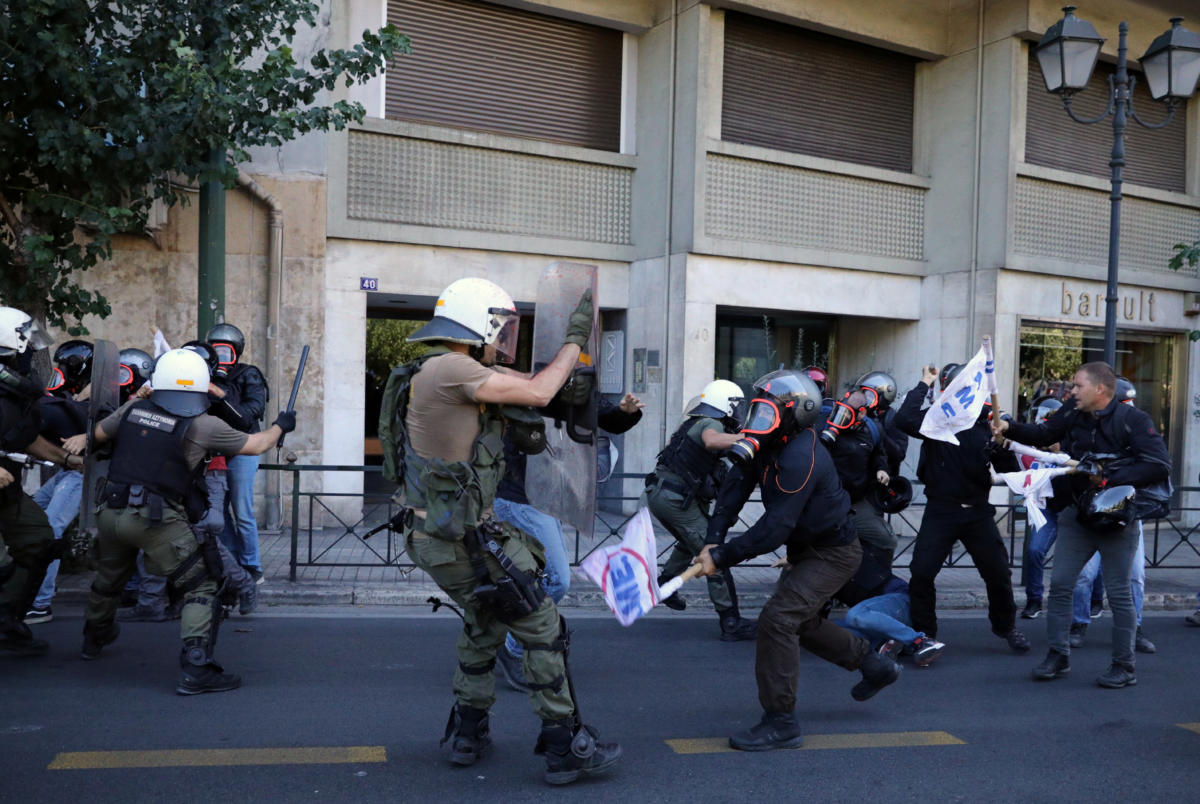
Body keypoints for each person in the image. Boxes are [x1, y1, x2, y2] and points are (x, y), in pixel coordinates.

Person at [391, 277, 620, 784]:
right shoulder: (452, 368)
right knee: (540, 624)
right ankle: (563, 746)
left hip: (443, 534)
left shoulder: (450, 369)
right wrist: (575, 340)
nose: (504, 338)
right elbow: (539, 390)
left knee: (485, 621)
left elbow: (538, 397)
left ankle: (468, 734)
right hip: (460, 538)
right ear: (481, 325)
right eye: (502, 327)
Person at [695, 369, 901, 752]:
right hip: (807, 548)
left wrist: (722, 556)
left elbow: (774, 529)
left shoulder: (801, 456)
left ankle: (781, 721)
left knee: (778, 619)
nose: (760, 415)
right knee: (801, 621)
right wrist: (712, 540)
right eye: (759, 406)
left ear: (795, 414)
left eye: (770, 408)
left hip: (834, 552)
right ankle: (875, 666)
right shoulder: (768, 441)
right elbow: (734, 490)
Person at [75, 349, 294, 693]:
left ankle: (93, 639)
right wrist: (282, 425)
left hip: (110, 511)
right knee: (203, 585)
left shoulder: (133, 409)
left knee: (108, 579)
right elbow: (256, 444)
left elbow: (98, 435)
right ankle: (197, 669)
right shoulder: (204, 424)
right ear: (201, 387)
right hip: (155, 518)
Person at [995, 362, 1170, 688]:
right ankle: (1058, 656)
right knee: (1061, 585)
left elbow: (1159, 465)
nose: (1071, 391)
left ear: (1100, 390)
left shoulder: (1134, 421)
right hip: (1077, 515)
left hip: (1117, 519)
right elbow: (1044, 434)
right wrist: (1008, 426)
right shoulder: (1073, 411)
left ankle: (1124, 666)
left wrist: (1109, 474)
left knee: (1119, 594)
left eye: (1077, 386)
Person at [494, 391, 644, 691]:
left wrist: (625, 412)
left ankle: (513, 641)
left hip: (542, 498)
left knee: (525, 579)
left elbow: (605, 416)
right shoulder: (527, 385)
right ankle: (512, 647)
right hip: (520, 497)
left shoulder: (572, 387)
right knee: (557, 579)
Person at [893, 363, 1030, 655]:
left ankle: (1006, 627)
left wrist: (1001, 444)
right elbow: (903, 420)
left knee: (998, 573)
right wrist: (923, 384)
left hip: (978, 512)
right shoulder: (935, 423)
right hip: (942, 510)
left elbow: (1010, 471)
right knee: (922, 572)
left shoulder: (987, 424)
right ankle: (924, 634)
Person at [119, 342, 258, 622]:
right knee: (156, 535)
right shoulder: (164, 393)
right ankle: (154, 602)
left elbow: (243, 425)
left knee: (204, 538)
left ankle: (239, 586)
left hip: (204, 478)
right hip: (170, 477)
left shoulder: (216, 396)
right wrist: (140, 396)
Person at [643, 379, 756, 641]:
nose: (739, 411)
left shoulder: (692, 421)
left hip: (663, 495)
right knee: (712, 553)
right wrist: (748, 437)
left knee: (689, 541)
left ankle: (666, 584)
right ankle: (731, 621)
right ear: (725, 405)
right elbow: (712, 441)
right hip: (674, 498)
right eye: (736, 405)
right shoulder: (711, 424)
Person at [0, 307, 81, 655]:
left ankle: (6, 621)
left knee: (40, 542)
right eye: (28, 346)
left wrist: (66, 459)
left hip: (8, 491)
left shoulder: (15, 392)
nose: (33, 354)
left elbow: (25, 436)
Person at [23, 347, 94, 625]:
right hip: (68, 471)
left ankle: (40, 603)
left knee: (50, 528)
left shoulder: (107, 395)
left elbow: (116, 420)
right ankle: (26, 591)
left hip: (82, 473)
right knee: (32, 518)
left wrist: (86, 436)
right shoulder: (68, 399)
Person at [206, 323, 268, 583]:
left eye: (227, 349)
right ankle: (232, 560)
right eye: (216, 349)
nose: (221, 355)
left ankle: (252, 566)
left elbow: (248, 415)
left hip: (243, 447)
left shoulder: (249, 374)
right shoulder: (203, 374)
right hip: (212, 449)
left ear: (237, 351)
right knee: (218, 512)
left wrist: (220, 392)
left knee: (242, 510)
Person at [832, 544, 945, 666]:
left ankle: (920, 641)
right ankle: (887, 642)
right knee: (828, 629)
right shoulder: (818, 574)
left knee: (856, 614)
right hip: (877, 617)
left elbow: (885, 539)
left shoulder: (846, 547)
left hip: (900, 599)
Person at [822, 388, 895, 561]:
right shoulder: (822, 424)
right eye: (841, 409)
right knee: (814, 544)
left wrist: (882, 469)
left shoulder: (873, 430)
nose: (843, 416)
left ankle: (877, 579)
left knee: (886, 540)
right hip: (826, 503)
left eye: (849, 413)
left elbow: (879, 453)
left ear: (862, 413)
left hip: (856, 503)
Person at [1019, 396, 1064, 620]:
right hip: (1045, 508)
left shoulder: (1069, 445)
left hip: (1069, 507)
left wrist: (1058, 453)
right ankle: (1034, 599)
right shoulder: (1026, 449)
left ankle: (1094, 600)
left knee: (1090, 561)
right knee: (1035, 550)